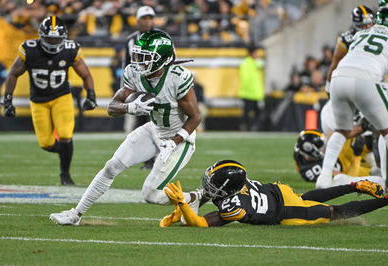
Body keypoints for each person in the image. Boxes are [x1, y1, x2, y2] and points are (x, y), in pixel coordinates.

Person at [49, 30, 202, 226]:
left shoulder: (178, 77)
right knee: (111, 166)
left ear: (161, 59)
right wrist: (130, 107)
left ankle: (195, 197)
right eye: (139, 56)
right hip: (154, 129)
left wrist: (173, 142)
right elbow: (112, 107)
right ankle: (75, 214)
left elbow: (195, 117)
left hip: (180, 139)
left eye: (146, 58)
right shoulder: (135, 72)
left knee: (151, 194)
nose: (140, 62)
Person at [3, 16, 97, 185]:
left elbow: (85, 74)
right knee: (45, 143)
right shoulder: (30, 50)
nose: (53, 42)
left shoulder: (70, 49)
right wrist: (8, 99)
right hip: (38, 100)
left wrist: (91, 95)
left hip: (62, 97)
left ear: (64, 38)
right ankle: (66, 153)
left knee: (65, 135)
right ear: (41, 36)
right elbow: (13, 74)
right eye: (49, 38)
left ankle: (65, 174)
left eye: (57, 39)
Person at [160, 160, 386, 228]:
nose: (208, 187)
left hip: (285, 211)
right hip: (281, 191)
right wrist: (183, 206)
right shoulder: (238, 185)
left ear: (227, 188)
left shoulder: (233, 206)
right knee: (308, 198)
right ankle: (354, 186)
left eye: (213, 182)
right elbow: (204, 197)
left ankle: (384, 200)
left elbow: (200, 223)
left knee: (331, 212)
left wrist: (183, 205)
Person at [316, 6, 388, 189]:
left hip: (339, 78)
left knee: (342, 130)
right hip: (365, 79)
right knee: (385, 130)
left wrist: (328, 87)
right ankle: (386, 178)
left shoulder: (358, 35)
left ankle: (323, 177)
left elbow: (337, 63)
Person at [122, 5, 157, 169]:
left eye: (150, 18)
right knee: (141, 124)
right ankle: (147, 160)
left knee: (158, 124)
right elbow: (126, 66)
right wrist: (125, 89)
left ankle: (160, 159)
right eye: (144, 18)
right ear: (137, 20)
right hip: (140, 89)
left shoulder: (161, 37)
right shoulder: (131, 39)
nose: (148, 21)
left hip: (158, 87)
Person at [293, 130, 385, 189]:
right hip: (349, 167)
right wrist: (357, 156)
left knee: (373, 140)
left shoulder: (300, 150)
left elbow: (334, 134)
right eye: (322, 148)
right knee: (378, 175)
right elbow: (347, 178)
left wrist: (359, 128)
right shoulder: (312, 170)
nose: (325, 148)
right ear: (312, 151)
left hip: (342, 153)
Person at [324, 5, 374, 94]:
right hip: (354, 81)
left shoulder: (379, 34)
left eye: (370, 24)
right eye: (364, 25)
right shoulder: (347, 39)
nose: (368, 27)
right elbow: (335, 64)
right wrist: (328, 87)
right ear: (356, 25)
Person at [238, 45, 265, 131]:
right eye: (256, 52)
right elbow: (246, 79)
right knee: (249, 114)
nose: (258, 54)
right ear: (252, 53)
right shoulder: (247, 63)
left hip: (254, 94)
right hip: (249, 93)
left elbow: (262, 63)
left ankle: (250, 128)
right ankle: (248, 128)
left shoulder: (251, 63)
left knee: (252, 113)